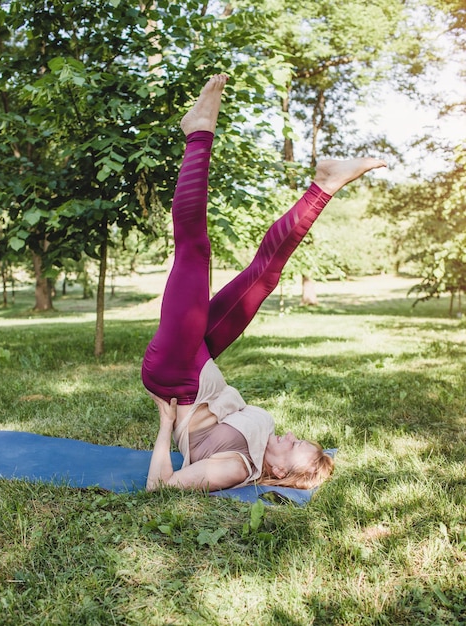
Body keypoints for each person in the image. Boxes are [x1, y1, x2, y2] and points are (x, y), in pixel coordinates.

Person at [142, 74, 386, 492]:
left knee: (194, 251)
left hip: (175, 375)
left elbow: (160, 487)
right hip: (199, 362)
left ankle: (198, 132)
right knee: (264, 275)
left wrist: (164, 427)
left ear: (278, 474)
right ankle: (325, 184)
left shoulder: (236, 467)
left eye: (295, 448)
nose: (290, 436)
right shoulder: (264, 442)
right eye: (298, 440)